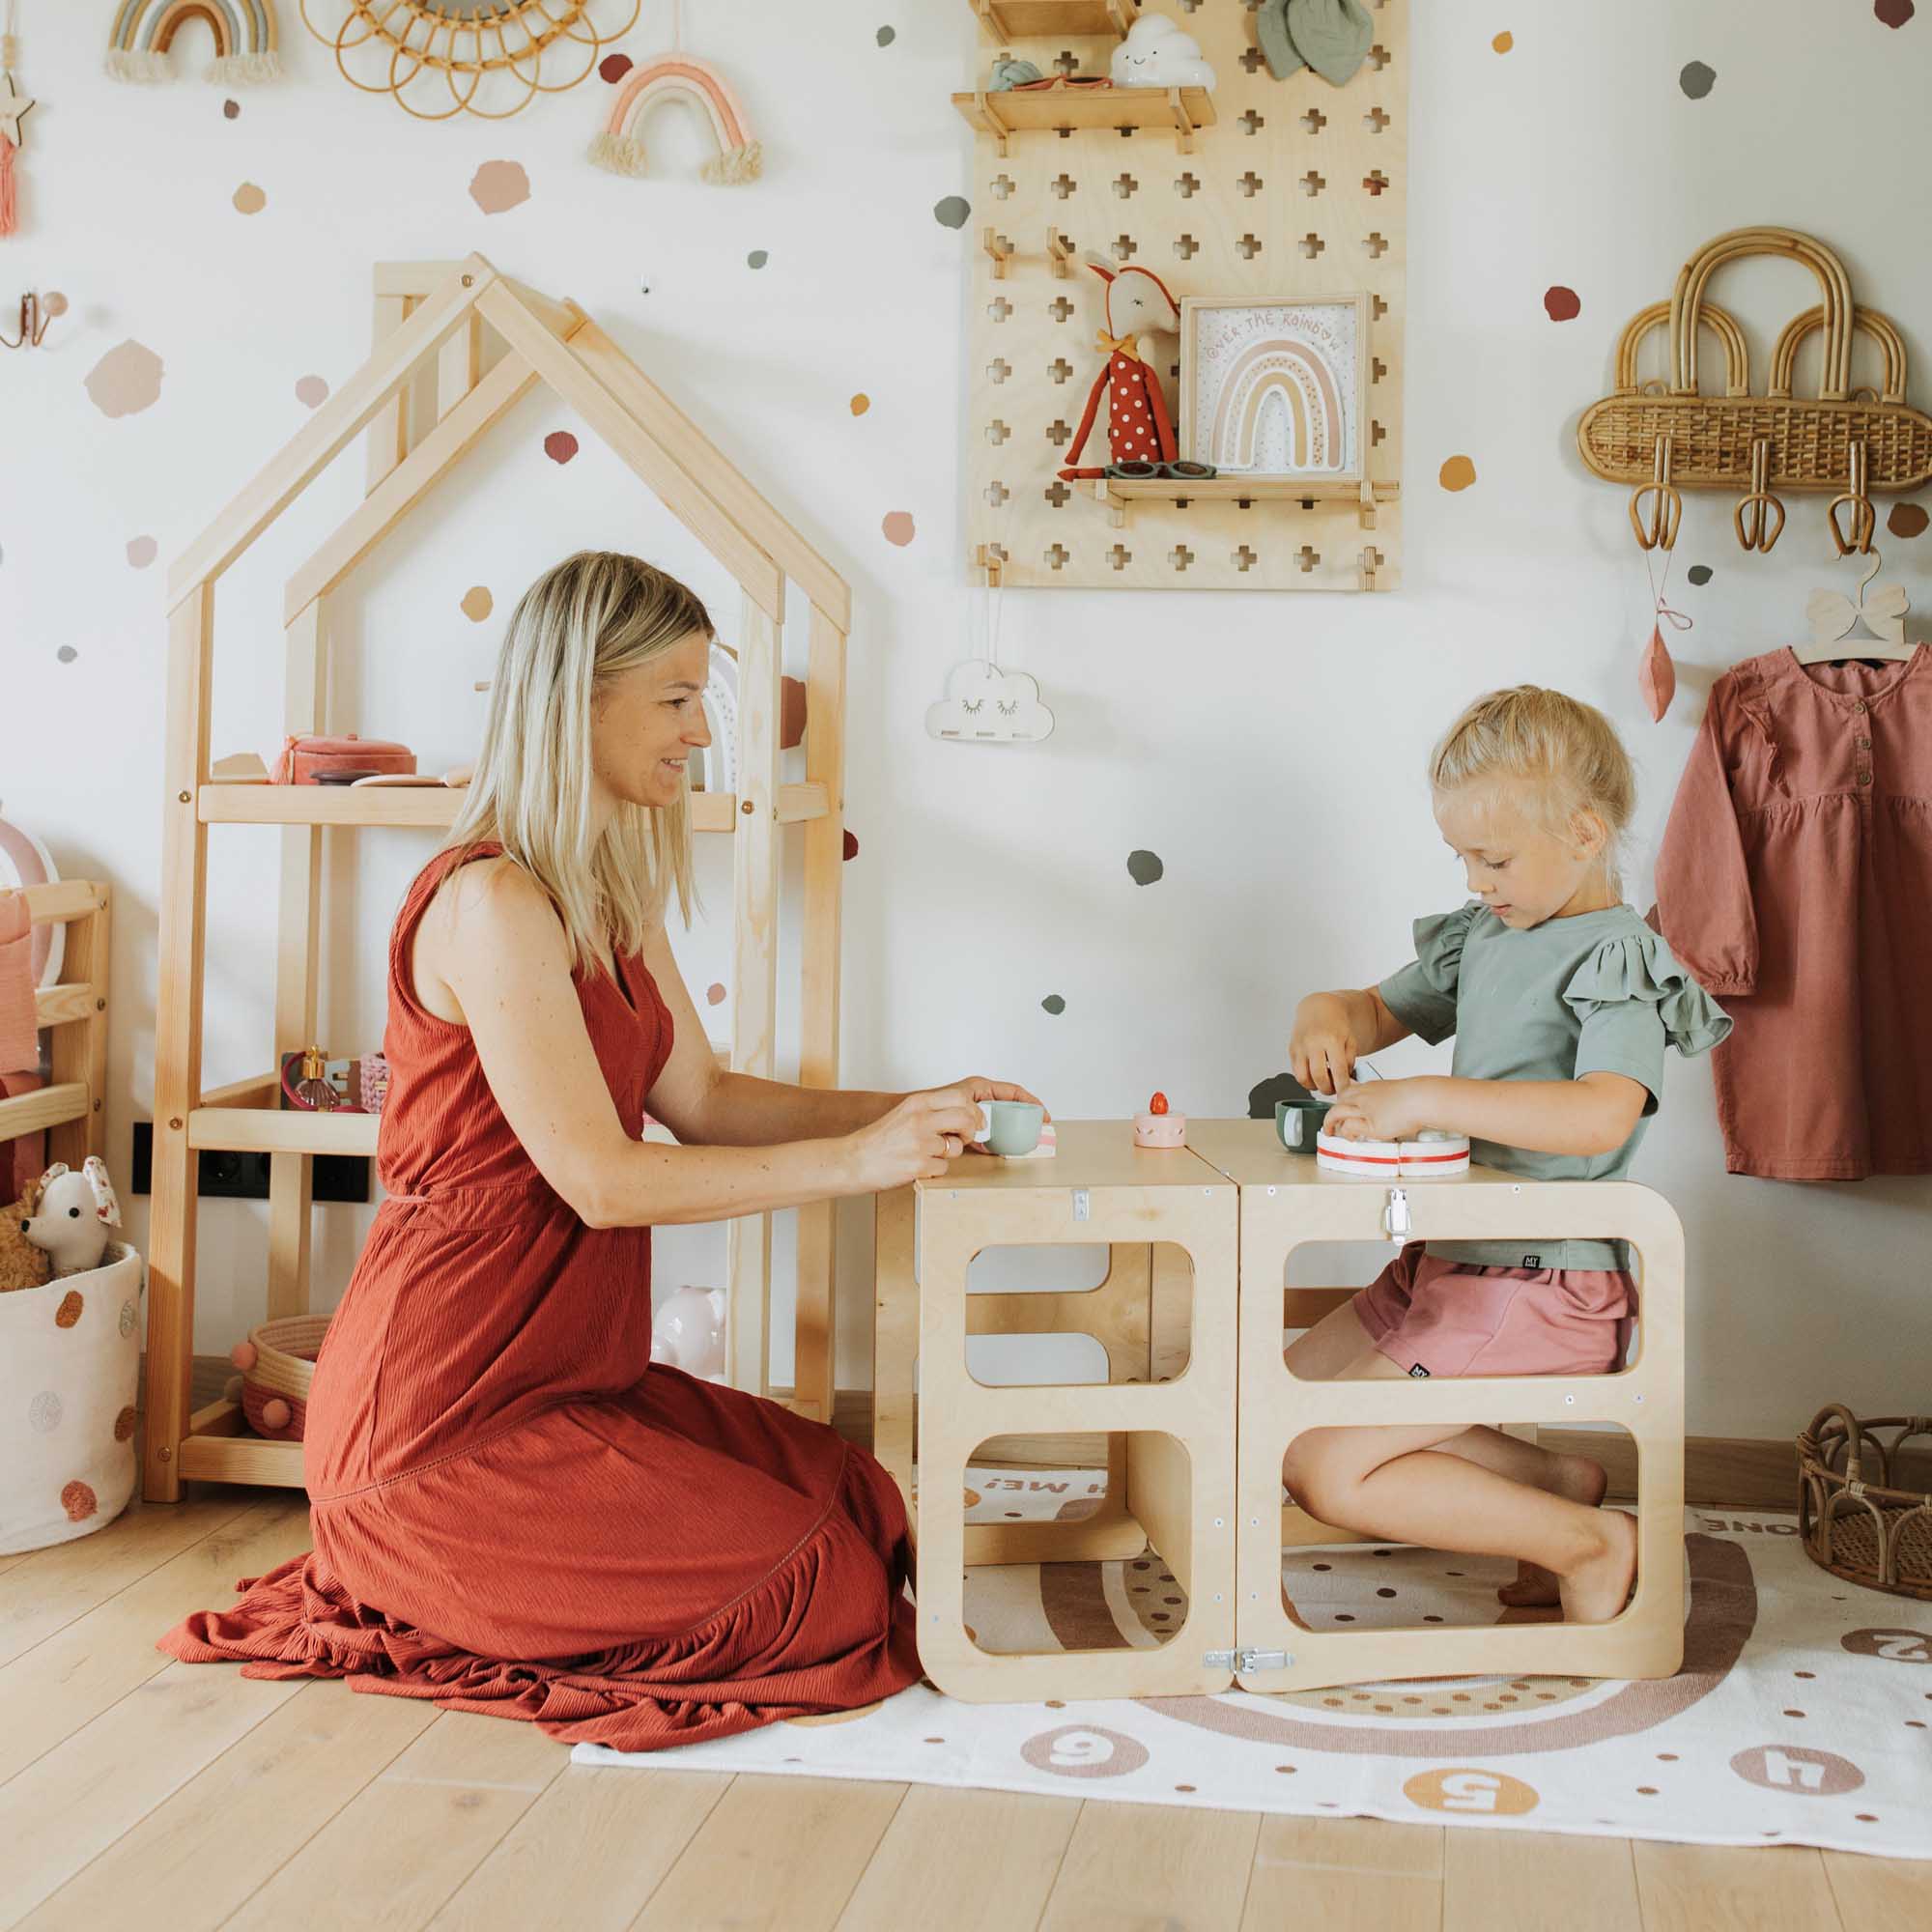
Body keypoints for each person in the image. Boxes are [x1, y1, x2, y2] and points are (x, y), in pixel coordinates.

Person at [158, 551, 1043, 1749]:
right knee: (816, 1583)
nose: (697, 730)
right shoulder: (491, 903)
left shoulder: (606, 898)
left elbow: (710, 1099)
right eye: (674, 698)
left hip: (567, 1381)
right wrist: (862, 1160)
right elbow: (604, 1180)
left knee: (855, 1502)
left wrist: (912, 1106)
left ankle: (522, 1578)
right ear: (579, 698)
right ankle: (435, 1575)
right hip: (437, 1424)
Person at [1284, 686, 1729, 1622]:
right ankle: (1555, 1484)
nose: (1476, 880)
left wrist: (1427, 1094)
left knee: (1326, 1466)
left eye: (1491, 857)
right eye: (1461, 858)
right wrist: (1325, 1010)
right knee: (1281, 1403)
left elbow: (1600, 1113)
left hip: (1542, 1280)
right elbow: (1372, 1009)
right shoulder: (1483, 935)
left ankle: (1589, 1541)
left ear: (1581, 831)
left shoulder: (1614, 954)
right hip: (1452, 1260)